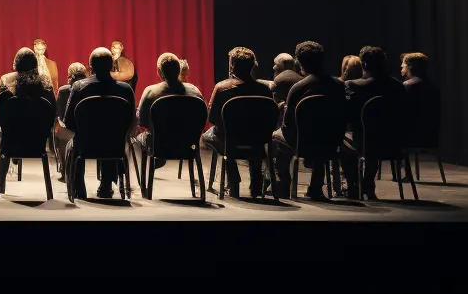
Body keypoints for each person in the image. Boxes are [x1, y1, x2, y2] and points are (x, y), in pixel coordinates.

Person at [272, 41, 345, 201]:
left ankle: (282, 184)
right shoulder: (339, 86)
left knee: (276, 137)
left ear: (299, 62)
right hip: (331, 142)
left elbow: (288, 123)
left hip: (302, 143)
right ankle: (316, 187)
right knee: (321, 135)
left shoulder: (298, 88)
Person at [64, 47, 136, 199]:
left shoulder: (79, 87)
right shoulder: (126, 90)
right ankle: (106, 186)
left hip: (85, 145)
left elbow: (68, 121)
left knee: (74, 143)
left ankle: (78, 190)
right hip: (114, 146)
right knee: (111, 133)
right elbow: (131, 122)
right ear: (112, 66)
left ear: (90, 67)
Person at [204, 47, 275, 198]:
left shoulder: (222, 88)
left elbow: (212, 118)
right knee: (251, 136)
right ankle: (256, 183)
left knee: (211, 136)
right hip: (258, 139)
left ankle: (233, 178)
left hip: (230, 139)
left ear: (232, 65)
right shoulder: (265, 90)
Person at [339, 46, 406, 199]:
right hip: (394, 144)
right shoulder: (398, 86)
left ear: (364, 65)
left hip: (364, 143)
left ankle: (352, 185)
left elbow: (346, 115)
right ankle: (368, 184)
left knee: (341, 140)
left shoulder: (353, 85)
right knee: (372, 140)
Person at [133, 52, 204, 170]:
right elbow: (202, 117)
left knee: (137, 140)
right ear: (179, 70)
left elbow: (142, 121)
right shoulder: (194, 91)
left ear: (159, 72)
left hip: (159, 145)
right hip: (187, 144)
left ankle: (147, 172)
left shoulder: (150, 91)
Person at [0, 48, 54, 159]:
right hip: (38, 142)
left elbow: (0, 111)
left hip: (10, 141)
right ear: (36, 64)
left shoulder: (5, 80)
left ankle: (3, 167)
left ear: (16, 64)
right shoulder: (46, 83)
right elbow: (52, 112)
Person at [54, 62, 88, 179]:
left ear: (69, 76)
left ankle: (64, 169)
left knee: (59, 131)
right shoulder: (93, 88)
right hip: (92, 132)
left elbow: (59, 114)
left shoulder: (64, 91)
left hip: (70, 130)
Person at [400, 52, 440, 147]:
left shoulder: (407, 86)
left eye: (403, 66)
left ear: (410, 67)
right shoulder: (433, 86)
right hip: (430, 136)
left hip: (411, 137)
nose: (401, 69)